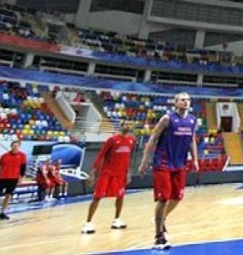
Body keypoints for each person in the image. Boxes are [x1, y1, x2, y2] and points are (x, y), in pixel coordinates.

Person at [138, 92, 199, 250]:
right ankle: (159, 237)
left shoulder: (192, 120)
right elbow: (153, 139)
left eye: (187, 99)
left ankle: (161, 218)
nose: (185, 102)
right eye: (182, 100)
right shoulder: (167, 119)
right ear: (176, 103)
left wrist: (195, 160)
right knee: (163, 198)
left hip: (180, 164)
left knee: (177, 197)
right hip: (163, 162)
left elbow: (192, 141)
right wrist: (145, 161)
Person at [81, 124, 136, 234]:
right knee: (97, 197)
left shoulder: (131, 140)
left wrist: (128, 172)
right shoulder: (112, 140)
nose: (128, 125)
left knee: (120, 196)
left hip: (120, 174)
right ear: (121, 126)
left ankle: (116, 220)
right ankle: (88, 223)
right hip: (107, 173)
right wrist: (92, 173)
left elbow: (128, 157)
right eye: (125, 124)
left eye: (129, 124)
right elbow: (101, 155)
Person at [0, 140, 27, 220]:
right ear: (11, 146)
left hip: (13, 179)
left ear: (19, 146)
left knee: (8, 196)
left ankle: (2, 213)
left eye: (17, 145)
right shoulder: (4, 156)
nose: (15, 147)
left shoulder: (22, 156)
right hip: (1, 178)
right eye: (14, 145)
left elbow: (23, 168)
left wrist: (21, 177)